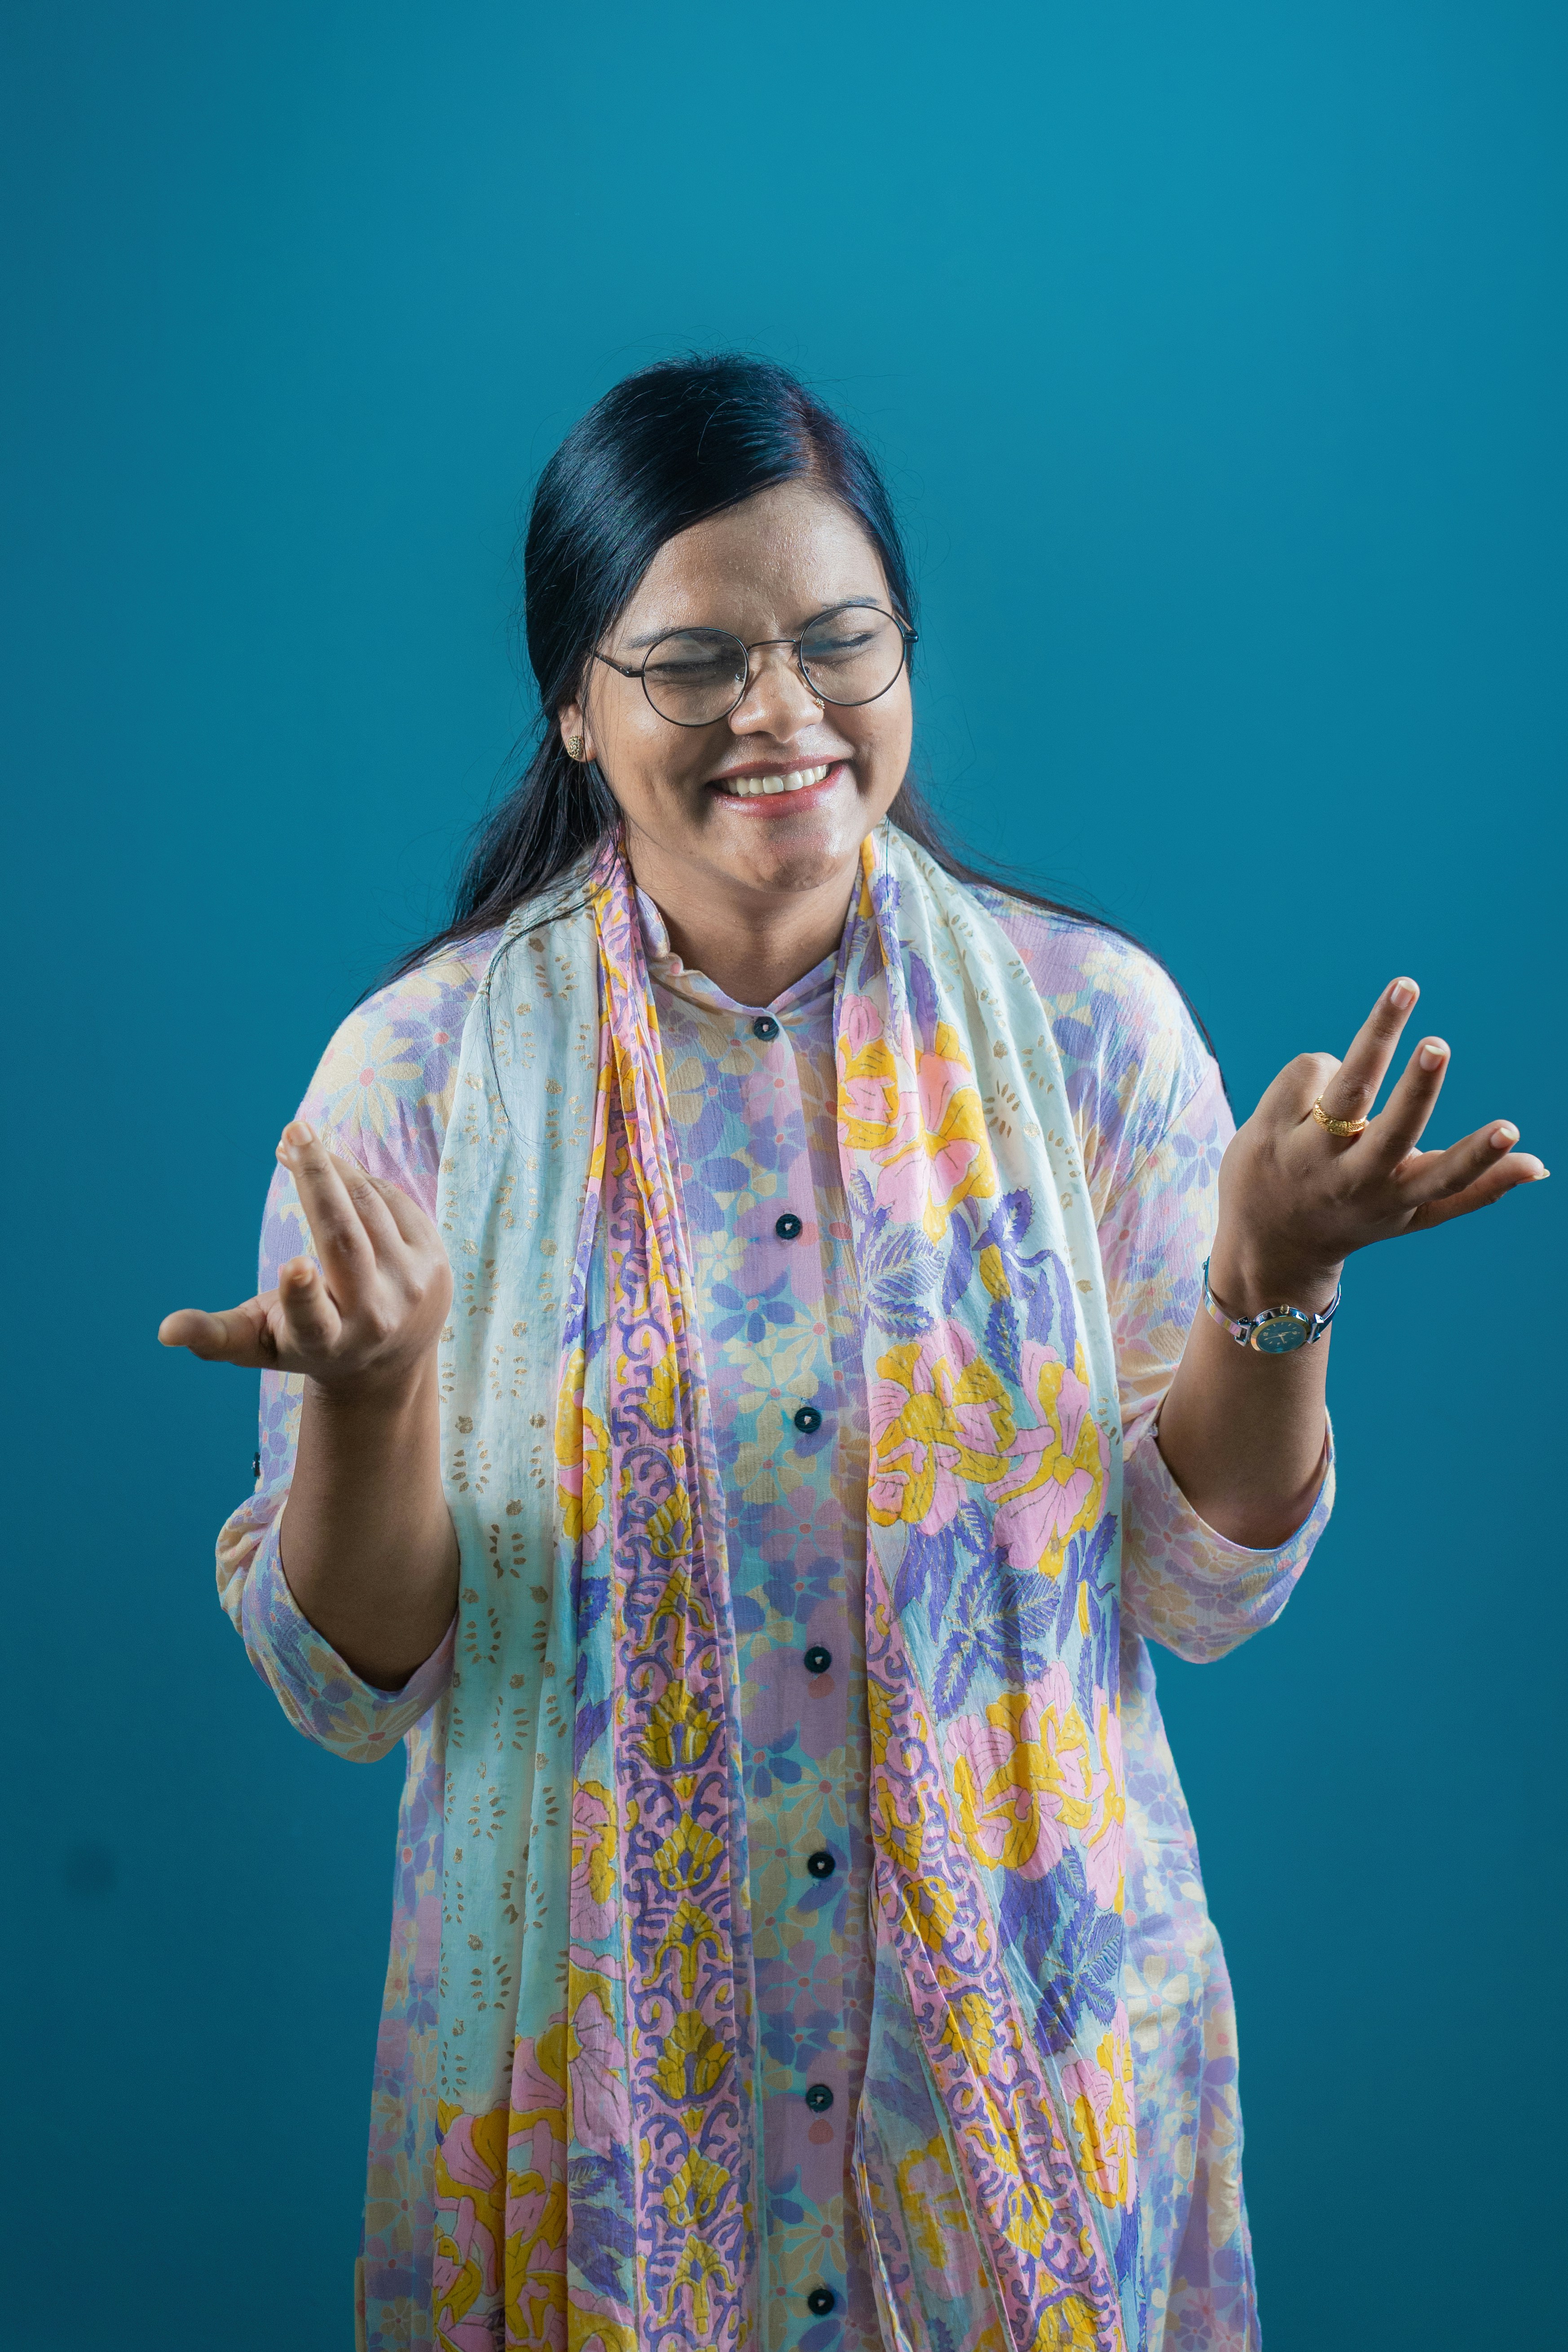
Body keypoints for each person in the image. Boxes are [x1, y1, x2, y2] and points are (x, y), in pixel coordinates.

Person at [160, 355, 1544, 2352]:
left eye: (839, 642)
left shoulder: (1093, 1033)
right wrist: (375, 1399)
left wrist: (1274, 1273)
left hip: (1026, 2087)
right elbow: (348, 1683)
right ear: (574, 701)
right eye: (694, 662)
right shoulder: (423, 1083)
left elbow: (1199, 1586)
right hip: (601, 2120)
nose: (783, 711)